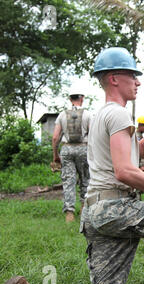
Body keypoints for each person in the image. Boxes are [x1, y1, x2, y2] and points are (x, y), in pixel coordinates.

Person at [0, 47, 144, 284]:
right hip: (115, 208)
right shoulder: (118, 114)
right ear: (114, 78)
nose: (138, 82)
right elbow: (125, 171)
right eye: (132, 75)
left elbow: (136, 152)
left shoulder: (101, 115)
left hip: (96, 212)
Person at [51, 87, 91, 223]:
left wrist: (55, 155)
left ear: (70, 99)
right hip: (83, 149)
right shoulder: (88, 115)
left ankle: (69, 213)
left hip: (67, 149)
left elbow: (55, 137)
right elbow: (93, 135)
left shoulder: (62, 115)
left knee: (69, 181)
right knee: (85, 179)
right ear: (82, 98)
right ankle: (84, 209)